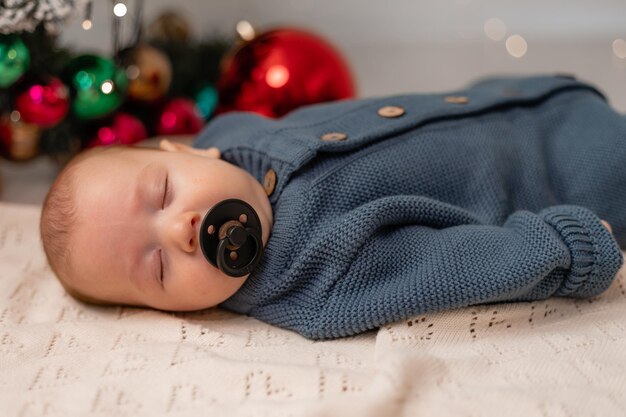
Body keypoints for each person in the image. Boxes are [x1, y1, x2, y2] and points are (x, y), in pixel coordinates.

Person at [40, 74, 625, 340]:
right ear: (176, 313)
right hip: (571, 174)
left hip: (514, 98)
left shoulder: (233, 134)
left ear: (184, 148)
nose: (181, 231)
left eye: (163, 194)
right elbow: (446, 266)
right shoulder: (314, 282)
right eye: (160, 268)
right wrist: (561, 250)